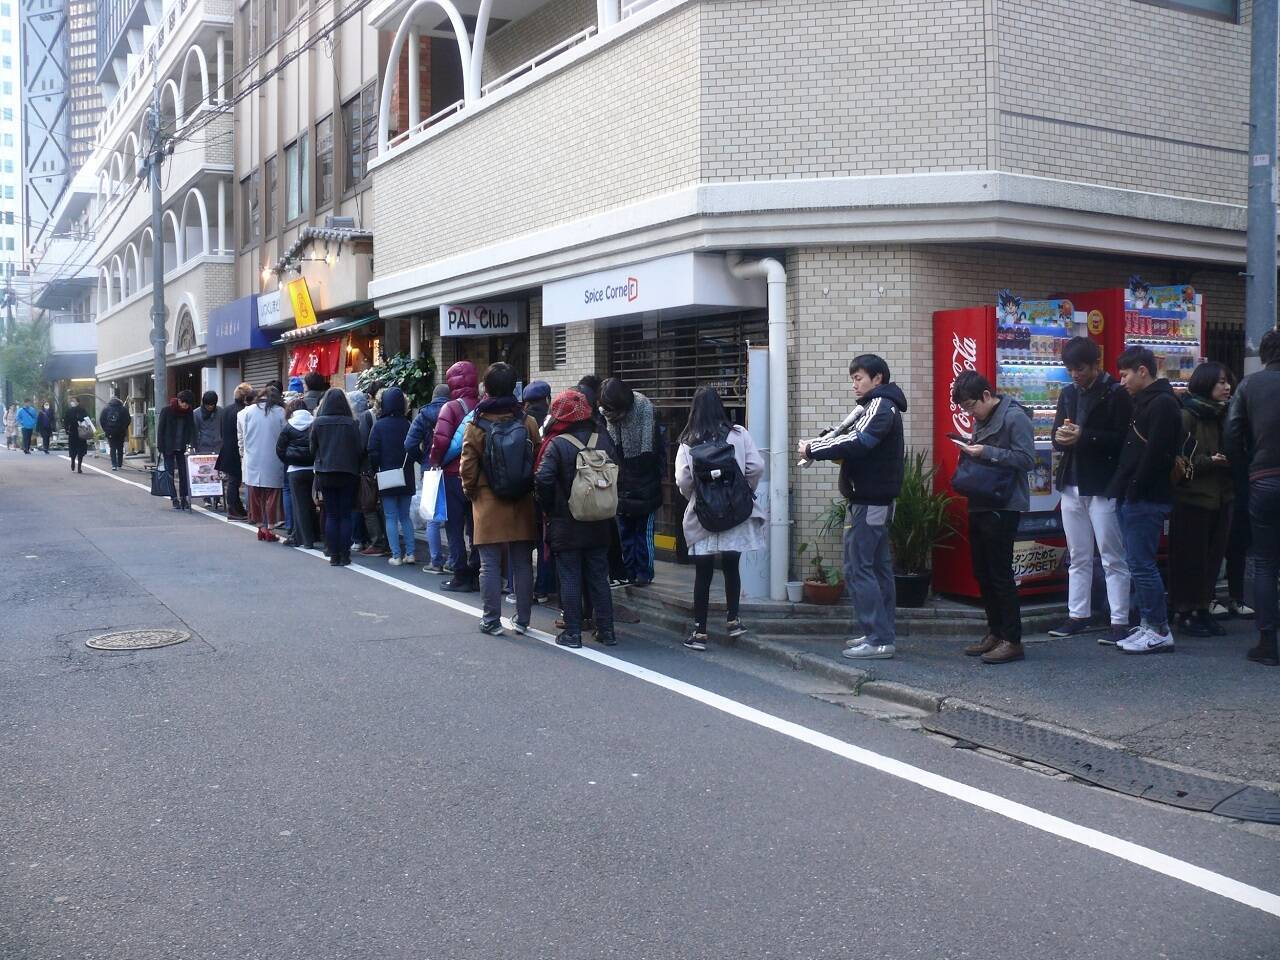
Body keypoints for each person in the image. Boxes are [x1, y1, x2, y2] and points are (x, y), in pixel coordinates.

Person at [801, 354, 908, 660]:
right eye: (853, 379)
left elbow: (859, 442)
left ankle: (878, 638)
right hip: (876, 500)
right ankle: (881, 633)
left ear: (878, 378)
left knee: (858, 567)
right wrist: (826, 444)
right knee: (877, 567)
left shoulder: (880, 405)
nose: (854, 385)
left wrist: (813, 448)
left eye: (858, 378)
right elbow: (853, 441)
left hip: (869, 501)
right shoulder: (879, 405)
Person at [1049, 337, 1133, 644]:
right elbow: (1057, 436)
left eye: (1080, 369)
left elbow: (1123, 439)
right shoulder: (1068, 393)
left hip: (1102, 485)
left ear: (1095, 365)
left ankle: (1119, 620)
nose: (1075, 374)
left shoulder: (1116, 393)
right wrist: (1061, 437)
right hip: (1071, 483)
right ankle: (1077, 615)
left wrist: (1084, 436)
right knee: (1078, 555)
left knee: (1112, 555)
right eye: (1070, 369)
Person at [951, 370, 1037, 664]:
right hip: (981, 500)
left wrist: (985, 451)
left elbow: (1027, 459)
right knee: (983, 572)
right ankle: (995, 632)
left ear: (986, 395)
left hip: (1004, 503)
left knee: (1000, 574)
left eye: (971, 406)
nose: (970, 413)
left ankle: (1012, 640)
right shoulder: (983, 417)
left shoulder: (1015, 417)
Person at [1106, 346, 1184, 654]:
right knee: (1137, 563)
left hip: (1146, 497)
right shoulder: (1145, 401)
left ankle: (1159, 629)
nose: (1122, 381)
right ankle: (1149, 624)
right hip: (1135, 494)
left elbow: (1157, 454)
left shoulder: (1162, 403)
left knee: (1142, 564)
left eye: (1125, 374)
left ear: (1142, 370)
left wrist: (1134, 488)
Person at [678, 387, 767, 650]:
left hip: (704, 516)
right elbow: (756, 467)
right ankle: (733, 620)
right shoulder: (738, 434)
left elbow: (683, 480)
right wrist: (743, 491)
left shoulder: (688, 441)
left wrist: (697, 497)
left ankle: (700, 632)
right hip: (735, 513)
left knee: (703, 574)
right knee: (731, 567)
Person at [460, 362, 542, 635]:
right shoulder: (527, 422)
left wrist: (470, 492)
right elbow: (538, 459)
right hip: (522, 499)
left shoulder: (477, 424)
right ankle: (522, 619)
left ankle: (491, 620)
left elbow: (468, 466)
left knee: (489, 564)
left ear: (487, 388)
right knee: (522, 562)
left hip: (487, 499)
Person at [535, 389, 619, 648]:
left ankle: (572, 632)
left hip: (566, 521)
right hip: (601, 519)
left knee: (570, 575)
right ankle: (606, 630)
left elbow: (543, 478)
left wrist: (550, 507)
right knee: (599, 575)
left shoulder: (558, 444)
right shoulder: (603, 439)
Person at [1225, 328, 1280, 666]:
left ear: (1263, 354)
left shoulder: (1249, 386)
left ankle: (1267, 643)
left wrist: (1245, 470)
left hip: (1264, 478)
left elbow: (1232, 435)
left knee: (1265, 562)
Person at [1169, 362, 1236, 638]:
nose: (1227, 387)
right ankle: (1185, 611)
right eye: (1221, 382)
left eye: (1228, 381)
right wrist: (1210, 461)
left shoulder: (1226, 414)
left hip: (1222, 496)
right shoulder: (1188, 415)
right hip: (1192, 498)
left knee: (1212, 559)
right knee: (1191, 560)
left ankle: (1203, 608)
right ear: (1206, 383)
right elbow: (1178, 461)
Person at [599, 378, 664, 587]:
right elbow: (610, 452)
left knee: (643, 533)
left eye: (612, 409)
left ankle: (644, 572)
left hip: (645, 481)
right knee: (625, 532)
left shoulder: (643, 407)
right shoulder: (607, 414)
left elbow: (651, 451)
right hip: (620, 482)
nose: (609, 413)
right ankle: (629, 572)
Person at [430, 360, 481, 592]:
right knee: (476, 525)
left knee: (454, 526)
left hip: (452, 475)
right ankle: (477, 571)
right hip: (478, 474)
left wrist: (435, 461)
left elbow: (440, 441)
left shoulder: (450, 408)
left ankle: (460, 573)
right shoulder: (482, 406)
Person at [311, 388, 363, 566]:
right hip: (348, 472)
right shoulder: (352, 423)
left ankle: (334, 555)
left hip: (325, 472)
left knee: (331, 514)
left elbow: (312, 449)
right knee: (345, 515)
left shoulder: (318, 423)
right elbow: (359, 449)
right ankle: (345, 555)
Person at [406, 383, 452, 574]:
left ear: (433, 396)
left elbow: (409, 444)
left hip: (430, 469)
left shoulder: (423, 414)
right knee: (453, 515)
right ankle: (453, 560)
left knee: (432, 517)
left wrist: (423, 459)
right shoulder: (454, 412)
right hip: (451, 467)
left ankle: (436, 561)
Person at [368, 386, 417, 566]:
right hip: (406, 476)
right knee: (405, 516)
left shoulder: (379, 426)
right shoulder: (408, 424)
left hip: (387, 476)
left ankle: (396, 555)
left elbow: (372, 451)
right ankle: (410, 553)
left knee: (390, 516)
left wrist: (376, 469)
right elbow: (414, 449)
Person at [238, 386, 287, 541]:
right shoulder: (281, 412)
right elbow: (285, 435)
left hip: (252, 458)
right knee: (273, 494)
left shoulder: (247, 412)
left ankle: (260, 527)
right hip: (274, 458)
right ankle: (270, 528)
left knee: (255, 494)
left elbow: (242, 437)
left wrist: (243, 453)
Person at [523, 380, 554, 602]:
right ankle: (543, 587)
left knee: (524, 542)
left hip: (522, 489)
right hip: (543, 489)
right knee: (545, 542)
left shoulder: (521, 420)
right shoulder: (553, 422)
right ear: (547, 399)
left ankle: (518, 588)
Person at [276, 397, 318, 549]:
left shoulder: (288, 427)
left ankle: (306, 540)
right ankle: (316, 534)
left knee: (300, 506)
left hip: (295, 470)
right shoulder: (314, 423)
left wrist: (289, 460)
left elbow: (279, 449)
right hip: (314, 469)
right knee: (314, 503)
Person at [216, 383, 253, 521]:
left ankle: (236, 508)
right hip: (237, 450)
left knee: (233, 481)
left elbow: (221, 431)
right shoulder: (243, 411)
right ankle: (235, 510)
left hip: (226, 448)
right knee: (234, 481)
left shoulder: (226, 410)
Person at [156, 389, 197, 510]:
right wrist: (160, 446)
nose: (185, 406)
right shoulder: (167, 410)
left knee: (184, 473)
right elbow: (160, 429)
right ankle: (174, 498)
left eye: (188, 404)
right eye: (184, 403)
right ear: (179, 400)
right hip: (168, 447)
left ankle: (184, 497)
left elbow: (192, 429)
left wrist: (192, 444)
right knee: (169, 473)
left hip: (182, 447)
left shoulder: (189, 412)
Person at [192, 391, 223, 509]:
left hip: (218, 445)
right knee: (204, 472)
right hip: (203, 446)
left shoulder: (221, 412)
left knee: (217, 472)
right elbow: (195, 432)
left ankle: (217, 498)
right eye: (208, 405)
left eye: (212, 404)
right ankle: (206, 498)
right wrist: (195, 447)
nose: (210, 407)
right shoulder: (196, 413)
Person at [99, 396, 132, 471]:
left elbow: (102, 420)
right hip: (121, 432)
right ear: (119, 401)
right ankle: (119, 464)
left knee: (112, 448)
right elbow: (128, 419)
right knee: (120, 448)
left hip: (110, 432)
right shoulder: (123, 409)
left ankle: (114, 465)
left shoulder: (106, 409)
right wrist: (124, 427)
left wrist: (106, 429)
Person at [62, 396, 91, 472]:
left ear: (78, 402)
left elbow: (86, 419)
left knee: (80, 450)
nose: (72, 402)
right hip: (73, 432)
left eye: (74, 401)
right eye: (72, 401)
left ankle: (79, 467)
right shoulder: (69, 411)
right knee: (73, 449)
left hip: (81, 432)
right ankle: (72, 462)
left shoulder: (82, 410)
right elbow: (65, 421)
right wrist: (66, 429)